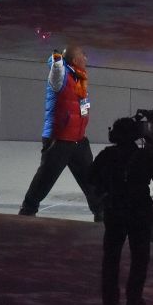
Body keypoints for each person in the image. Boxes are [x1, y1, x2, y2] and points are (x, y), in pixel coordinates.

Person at [90, 117, 153, 305]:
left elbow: (92, 179)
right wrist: (152, 154)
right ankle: (134, 302)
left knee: (111, 258)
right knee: (139, 260)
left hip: (115, 212)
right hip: (139, 214)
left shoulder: (106, 155)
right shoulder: (145, 157)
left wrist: (108, 189)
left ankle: (110, 302)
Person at [18, 46, 103, 220]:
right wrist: (57, 63)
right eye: (82, 55)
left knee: (92, 180)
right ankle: (27, 211)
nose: (86, 57)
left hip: (78, 140)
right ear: (74, 60)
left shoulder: (79, 77)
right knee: (44, 179)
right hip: (59, 140)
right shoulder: (61, 75)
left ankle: (102, 212)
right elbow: (57, 74)